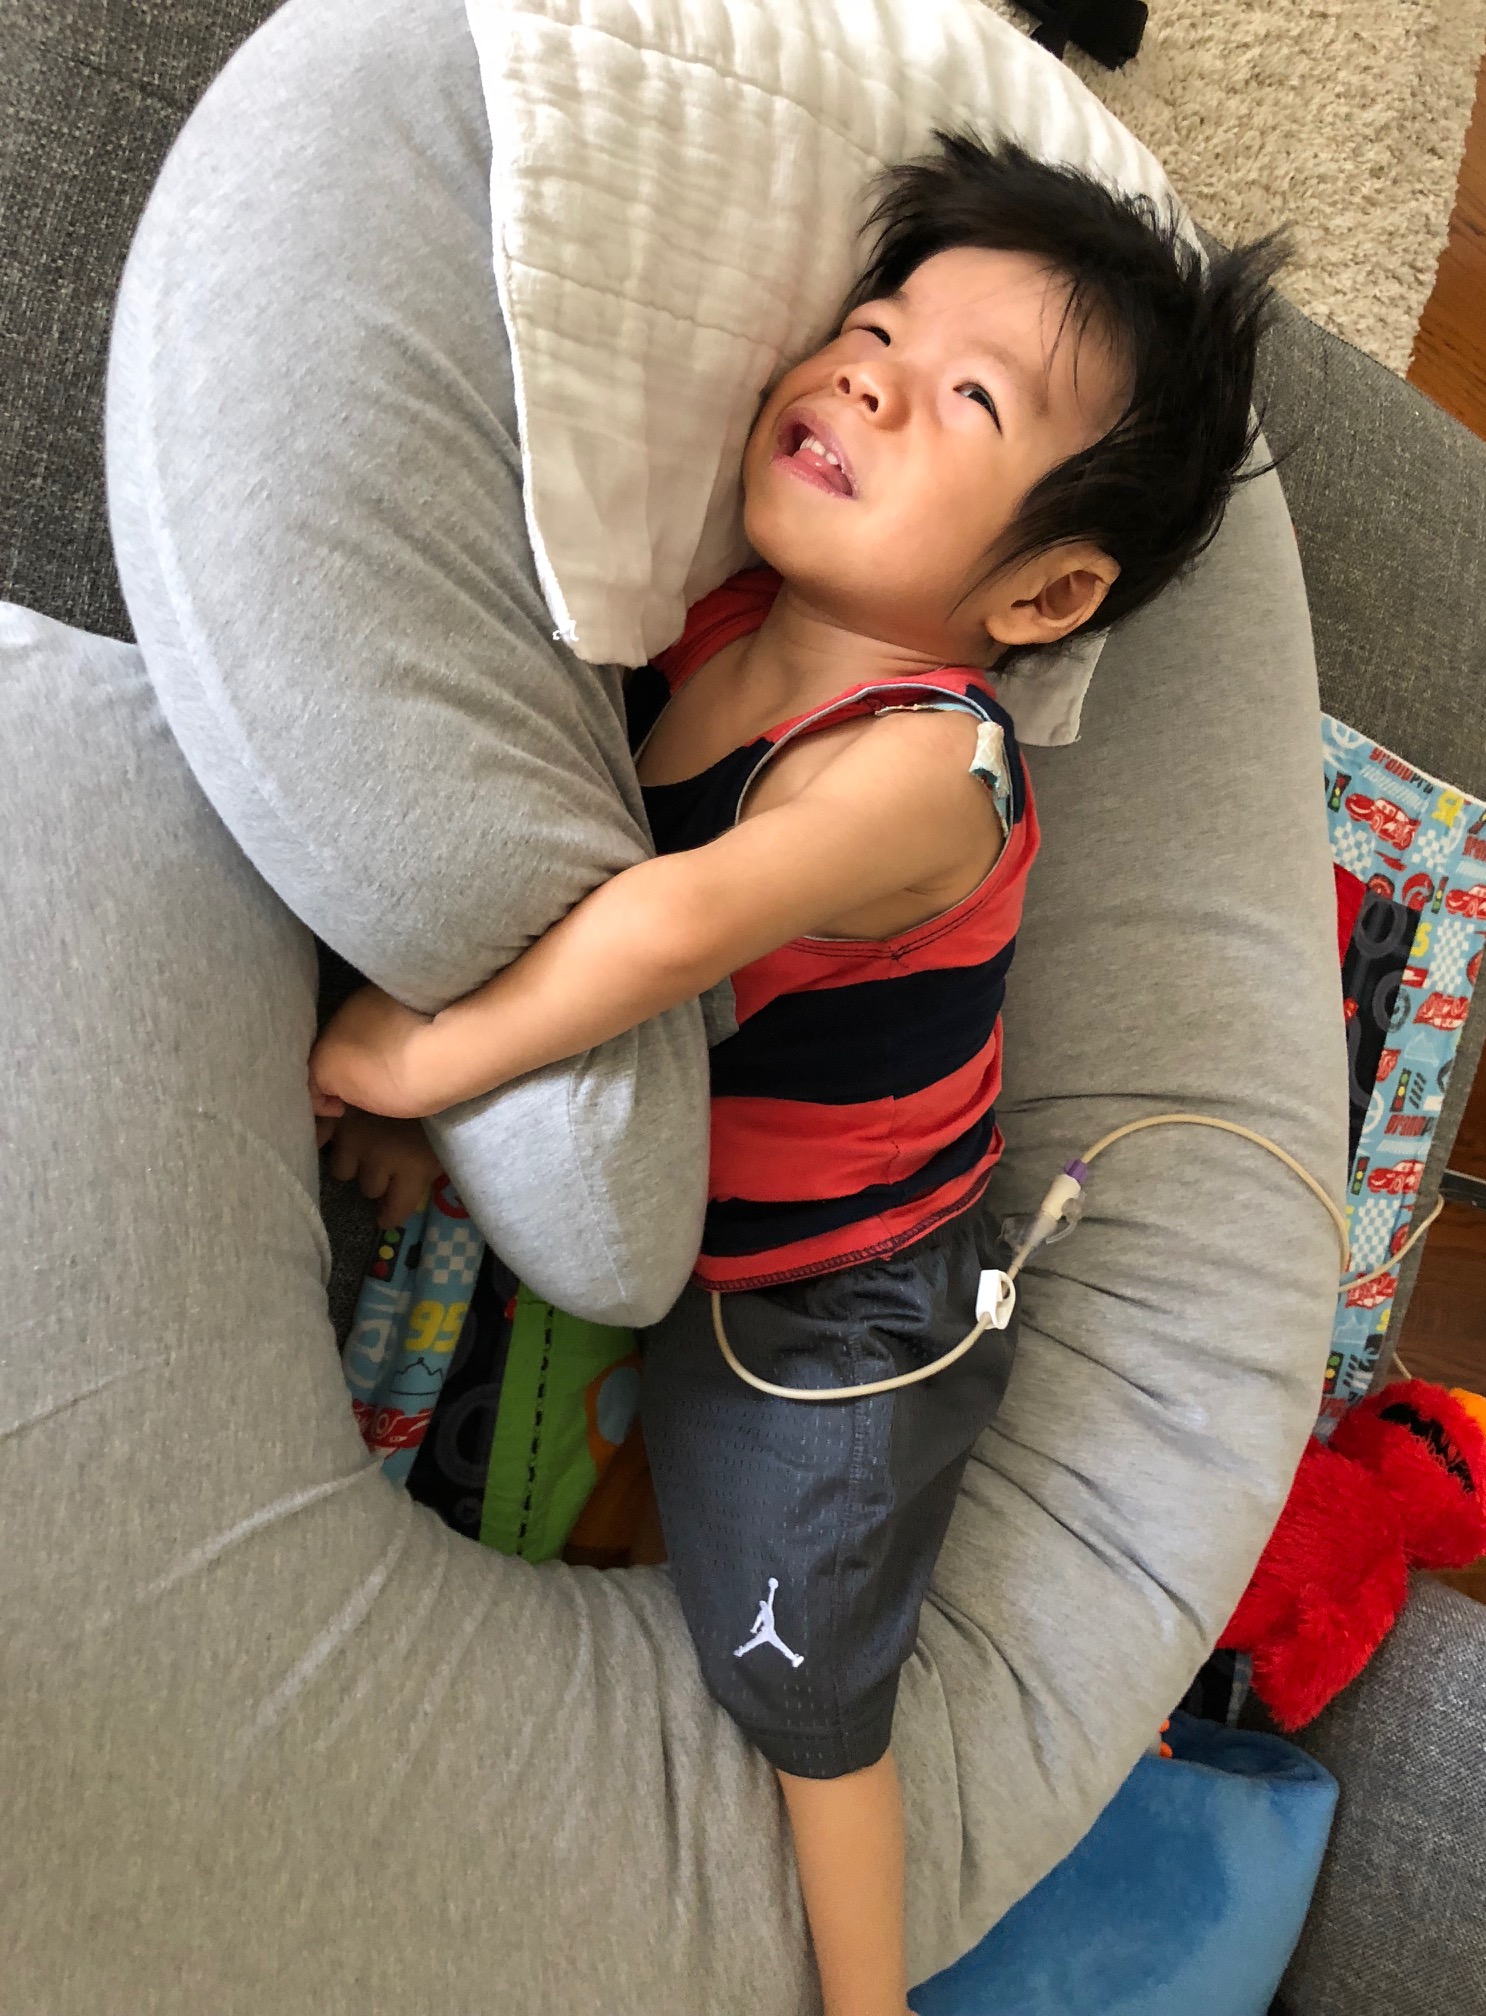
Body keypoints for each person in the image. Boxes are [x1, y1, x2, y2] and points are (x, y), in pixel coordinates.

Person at [310, 133, 1283, 2016]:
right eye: (875, 327)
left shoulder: (926, 767)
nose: (867, 379)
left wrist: (422, 1056)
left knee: (799, 1664)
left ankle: (864, 1990)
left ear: (1045, 594)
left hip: (843, 1290)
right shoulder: (713, 618)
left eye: (965, 400)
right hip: (696, 1157)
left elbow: (671, 926)